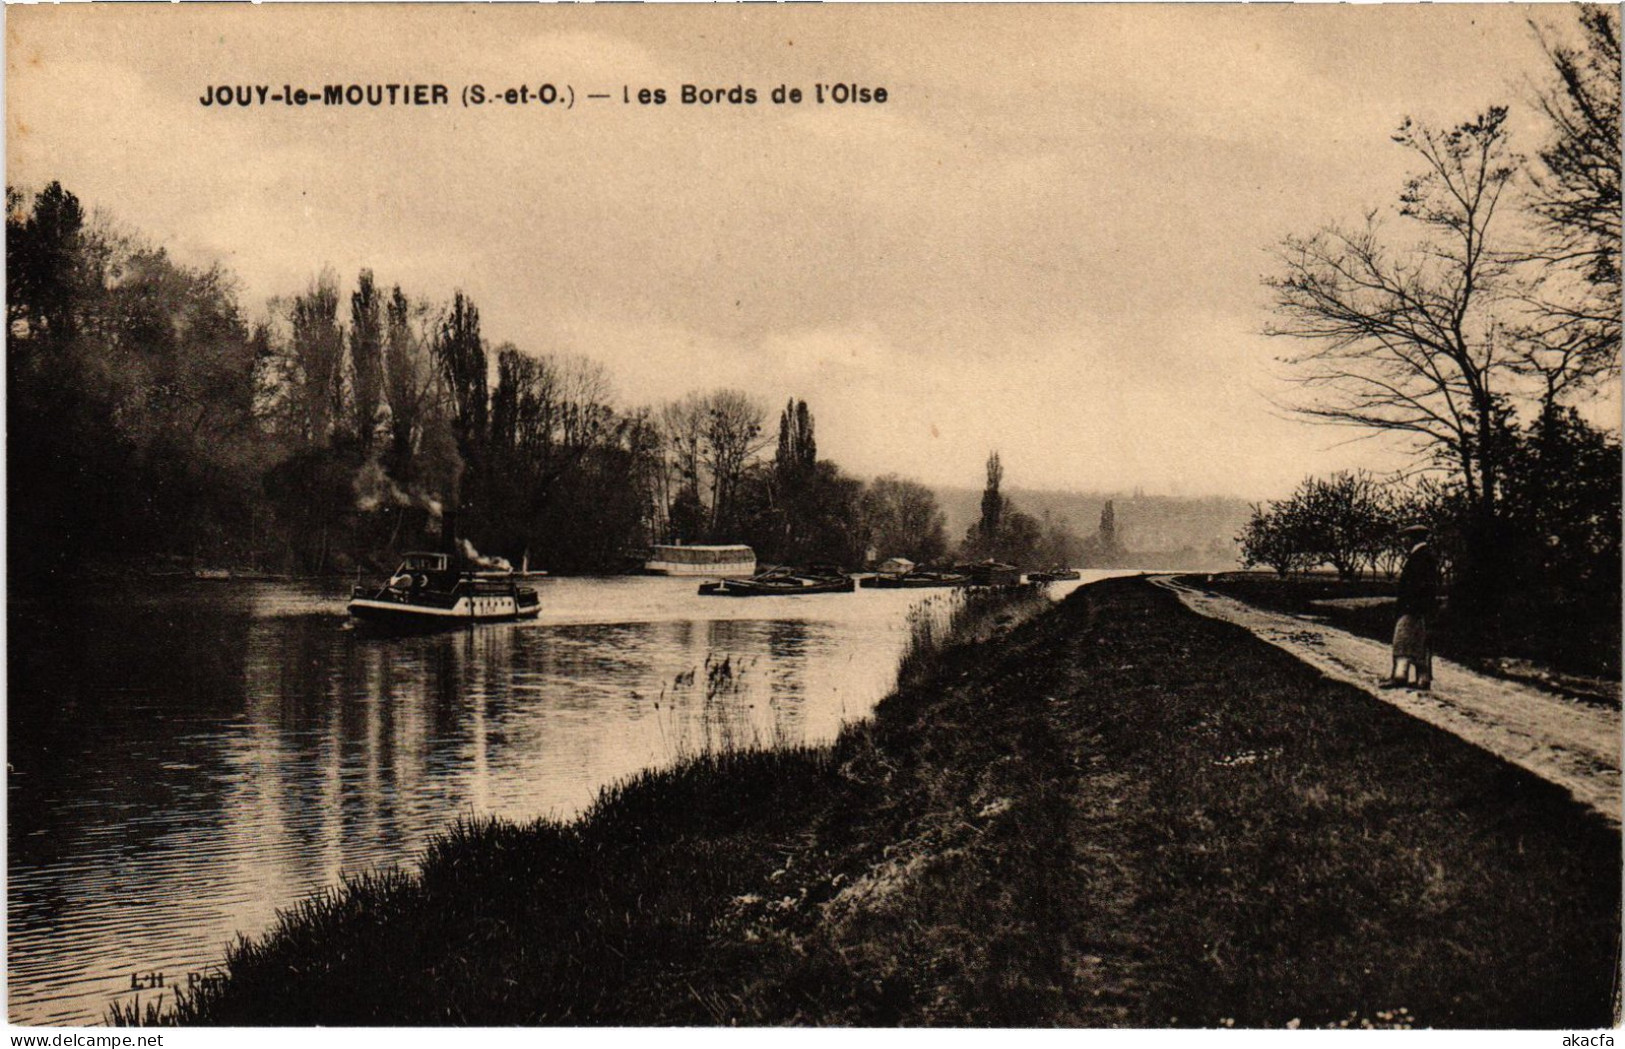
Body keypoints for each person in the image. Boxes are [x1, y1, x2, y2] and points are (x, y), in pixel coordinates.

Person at [1382, 524, 1438, 691]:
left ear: (1413, 538)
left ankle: (1400, 676)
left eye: (1406, 538)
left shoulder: (1420, 557)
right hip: (1418, 609)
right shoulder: (1424, 555)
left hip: (1411, 608)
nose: (1404, 541)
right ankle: (1423, 679)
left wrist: (1410, 607)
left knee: (1403, 642)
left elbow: (1418, 587)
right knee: (1419, 643)